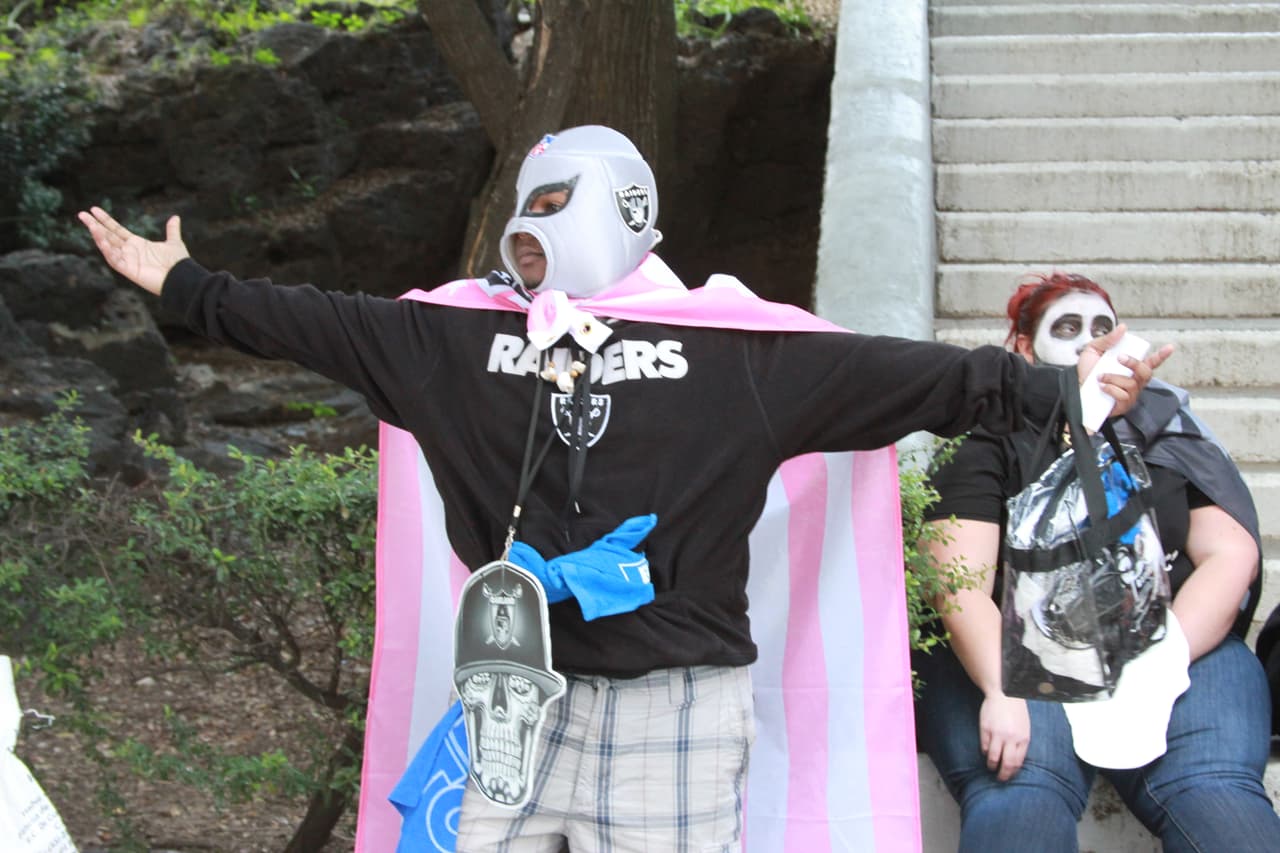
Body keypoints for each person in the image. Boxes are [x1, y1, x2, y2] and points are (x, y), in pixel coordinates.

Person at [79, 127, 1167, 851]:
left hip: (674, 711)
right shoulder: (453, 342)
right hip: (506, 700)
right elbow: (313, 320)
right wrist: (186, 286)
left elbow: (930, 378)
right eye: (526, 201)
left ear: (622, 208)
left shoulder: (736, 350)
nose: (531, 224)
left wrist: (1062, 389)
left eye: (556, 202)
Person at [913, 272, 1277, 853]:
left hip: (1181, 644)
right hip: (1019, 649)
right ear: (1024, 350)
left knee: (1214, 792)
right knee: (1023, 791)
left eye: (1103, 330)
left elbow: (1231, 553)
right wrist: (1002, 690)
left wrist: (1163, 656)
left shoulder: (1168, 430)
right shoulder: (988, 440)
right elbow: (957, 584)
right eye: (1069, 328)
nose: (1091, 344)